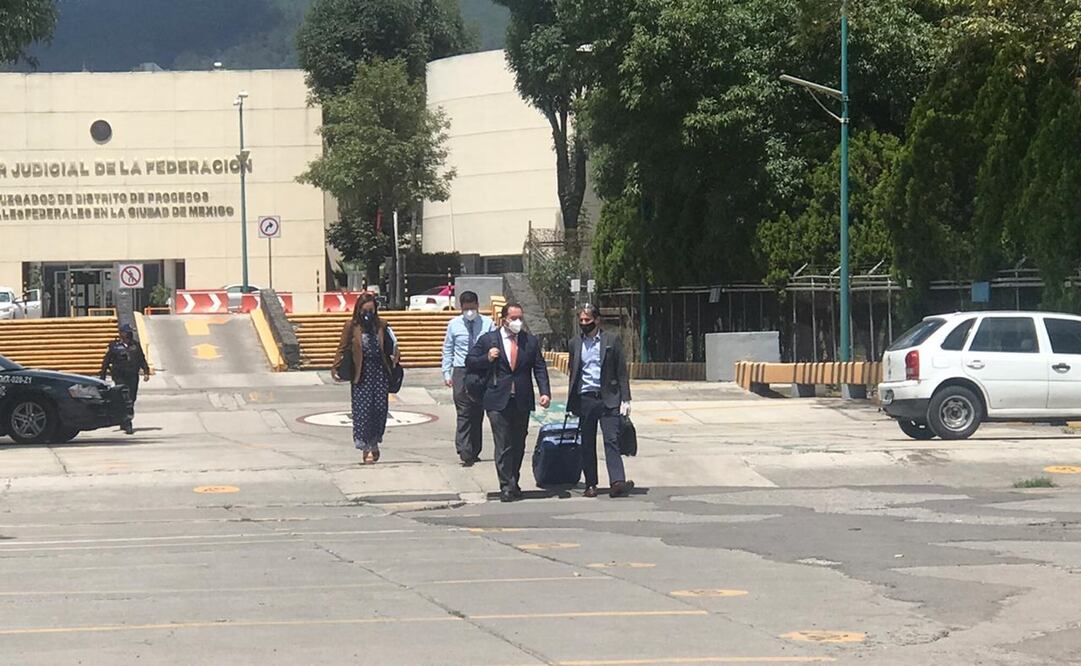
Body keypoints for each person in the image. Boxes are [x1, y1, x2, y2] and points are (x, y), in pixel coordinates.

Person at [466, 303, 551, 502]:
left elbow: (539, 368)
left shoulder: (529, 341)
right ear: (504, 319)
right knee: (503, 443)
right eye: (514, 318)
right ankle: (506, 485)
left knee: (518, 443)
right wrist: (487, 358)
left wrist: (545, 392)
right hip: (497, 399)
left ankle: (514, 480)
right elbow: (470, 361)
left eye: (520, 318)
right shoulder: (489, 339)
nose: (518, 322)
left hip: (521, 399)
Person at [567, 304, 635, 498]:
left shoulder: (611, 341)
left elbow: (621, 371)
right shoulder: (574, 343)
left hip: (609, 398)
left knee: (611, 439)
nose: (584, 324)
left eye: (587, 320)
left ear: (597, 320)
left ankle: (617, 481)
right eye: (581, 321)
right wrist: (572, 401)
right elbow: (573, 374)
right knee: (587, 442)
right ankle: (591, 484)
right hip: (585, 398)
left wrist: (626, 398)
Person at [333, 292, 400, 464]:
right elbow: (342, 347)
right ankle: (365, 447)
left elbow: (392, 346)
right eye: (365, 310)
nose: (368, 314)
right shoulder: (351, 326)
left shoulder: (382, 325)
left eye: (371, 310)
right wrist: (336, 368)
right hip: (361, 373)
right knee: (362, 412)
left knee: (379, 410)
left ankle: (375, 442)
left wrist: (395, 358)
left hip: (379, 372)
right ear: (359, 310)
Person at [441, 291, 495, 466]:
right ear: (461, 308)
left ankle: (474, 449)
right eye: (466, 309)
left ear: (478, 306)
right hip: (461, 370)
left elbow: (494, 347)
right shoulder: (454, 325)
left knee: (477, 411)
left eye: (472, 308)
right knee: (463, 410)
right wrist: (446, 373)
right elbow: (448, 349)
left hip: (481, 369)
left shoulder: (488, 324)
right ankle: (464, 449)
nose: (469, 311)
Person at [99, 323, 150, 435]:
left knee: (132, 398)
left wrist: (146, 371)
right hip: (119, 376)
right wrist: (102, 375)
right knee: (124, 398)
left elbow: (141, 359)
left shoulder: (135, 345)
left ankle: (123, 419)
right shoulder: (114, 346)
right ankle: (127, 423)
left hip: (132, 376)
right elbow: (106, 361)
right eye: (127, 332)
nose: (129, 334)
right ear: (122, 333)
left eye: (130, 332)